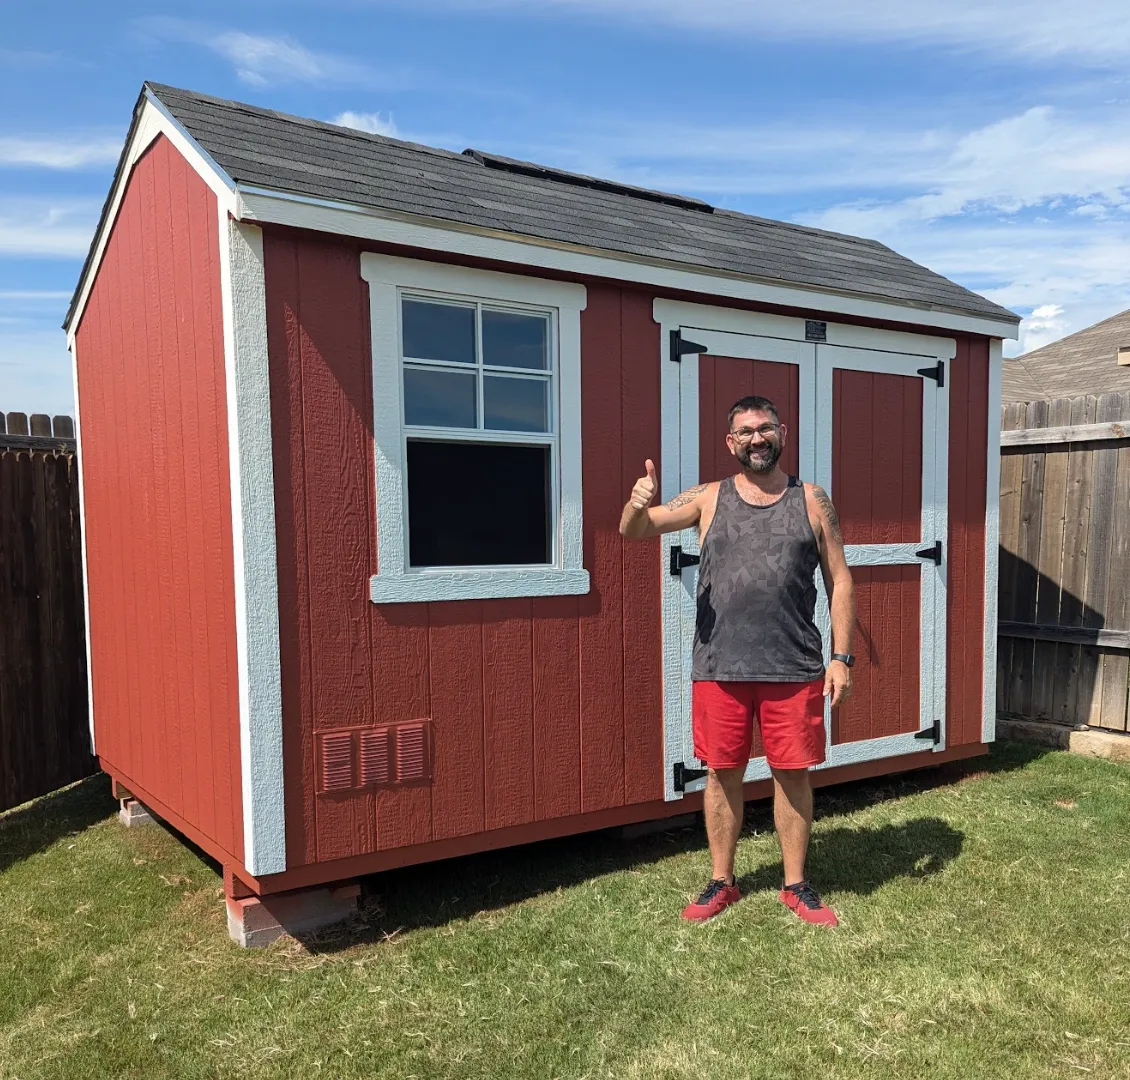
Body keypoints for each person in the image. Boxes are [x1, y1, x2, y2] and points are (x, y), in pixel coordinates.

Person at [619, 394, 854, 926]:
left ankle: (795, 884)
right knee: (722, 772)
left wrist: (841, 657)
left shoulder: (813, 500)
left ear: (782, 433)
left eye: (765, 428)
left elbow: (840, 579)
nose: (756, 438)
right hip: (719, 665)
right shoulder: (707, 497)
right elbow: (633, 531)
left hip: (794, 666)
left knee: (792, 773)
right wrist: (636, 501)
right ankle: (722, 881)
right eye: (745, 431)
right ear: (731, 442)